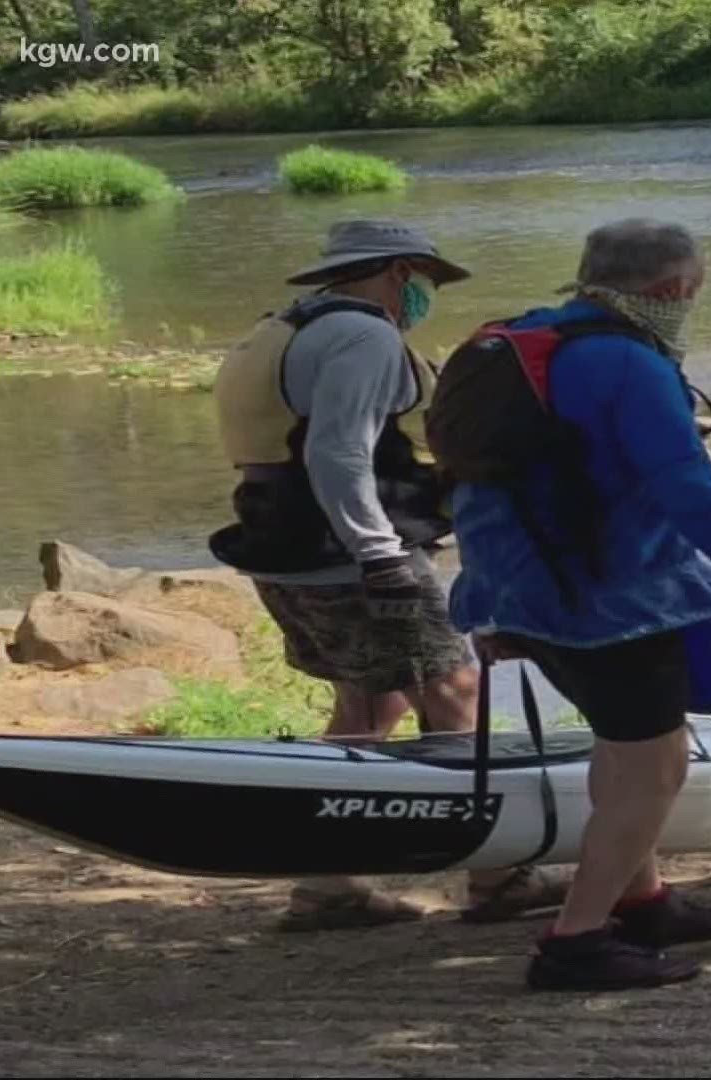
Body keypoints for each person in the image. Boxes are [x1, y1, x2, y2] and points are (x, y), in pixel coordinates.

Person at [436, 218, 711, 993]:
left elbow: (480, 485)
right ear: (673, 290)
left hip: (531, 590)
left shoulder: (518, 341)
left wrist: (496, 602)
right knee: (653, 769)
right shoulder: (627, 363)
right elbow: (699, 502)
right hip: (611, 602)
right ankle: (577, 940)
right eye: (692, 292)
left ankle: (644, 901)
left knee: (624, 748)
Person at [209, 220, 570, 930]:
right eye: (428, 281)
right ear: (401, 271)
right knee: (454, 688)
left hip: (282, 543)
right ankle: (498, 876)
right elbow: (339, 453)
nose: (427, 296)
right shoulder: (364, 336)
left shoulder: (280, 327)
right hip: (347, 552)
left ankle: (327, 884)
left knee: (371, 709)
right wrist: (378, 552)